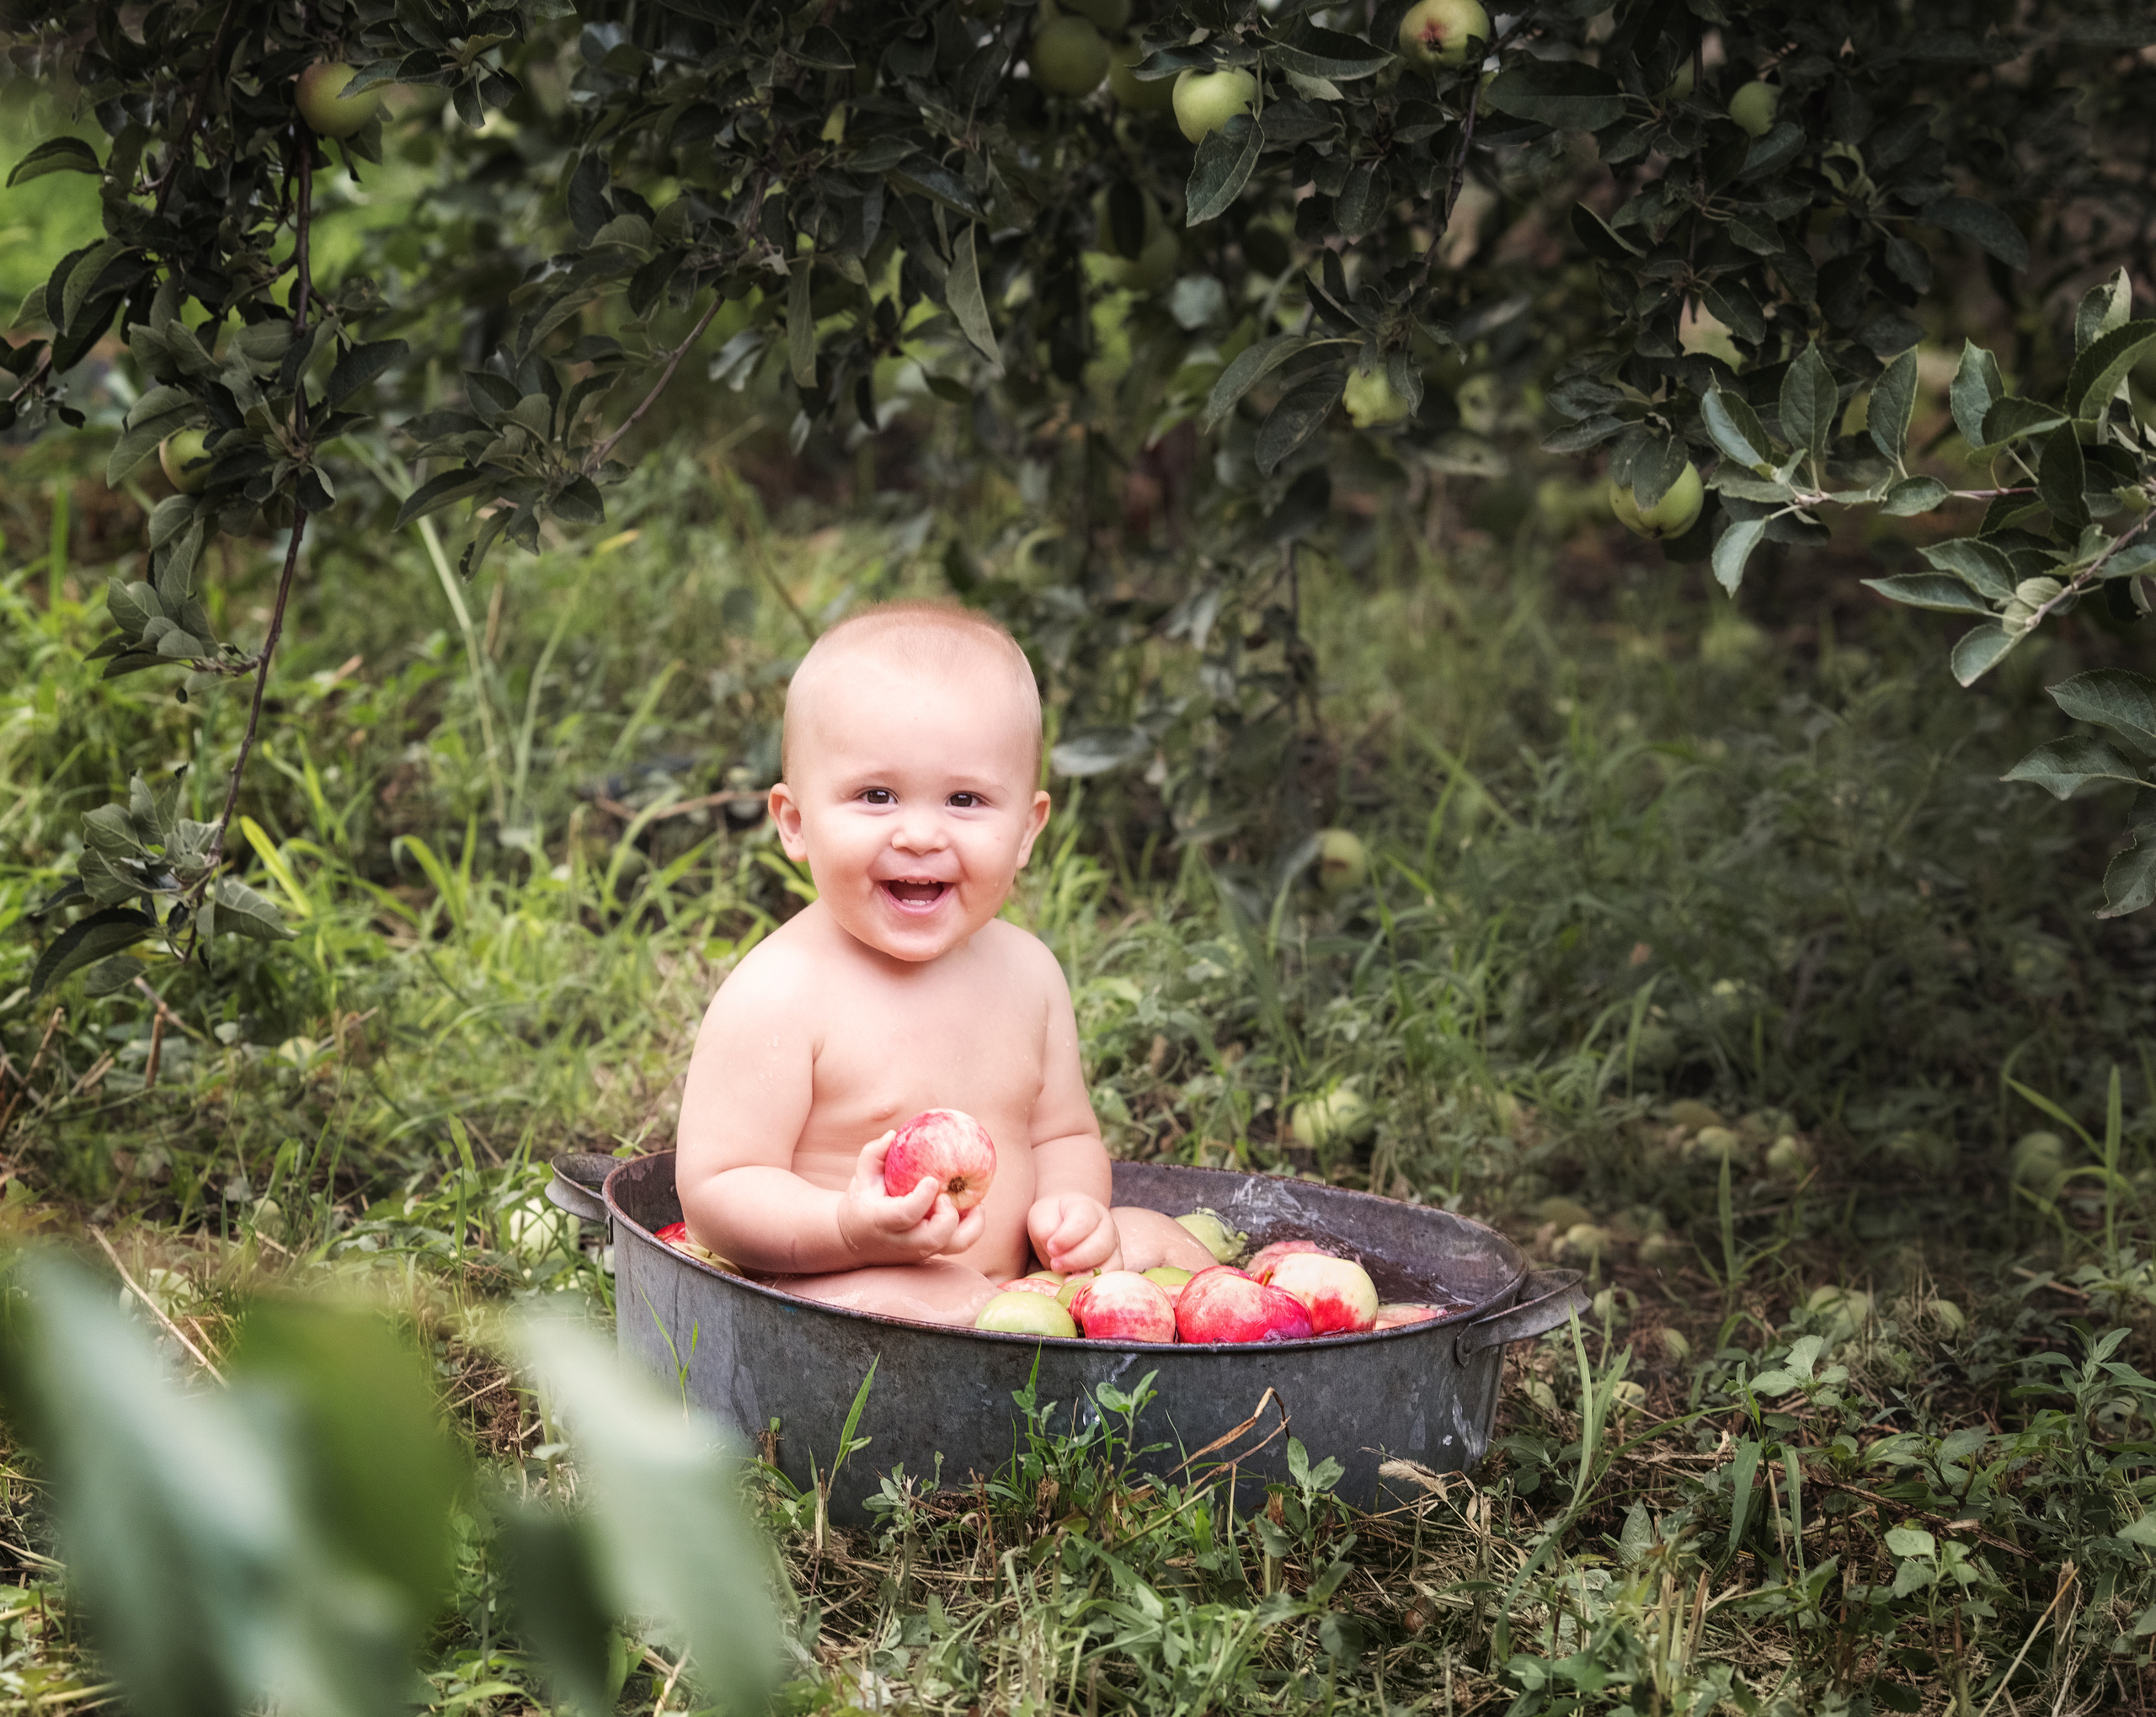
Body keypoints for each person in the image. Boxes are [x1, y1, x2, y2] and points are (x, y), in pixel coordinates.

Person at [674, 601, 1215, 1325]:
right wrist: (846, 1226)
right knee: (937, 1301)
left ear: (1026, 829)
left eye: (965, 799)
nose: (922, 833)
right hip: (837, 1284)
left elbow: (1064, 1135)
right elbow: (718, 1191)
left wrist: (1075, 1207)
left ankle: (1231, 1361)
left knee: (1164, 1242)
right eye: (877, 795)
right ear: (795, 822)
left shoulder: (1030, 975)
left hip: (1019, 1287)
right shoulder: (782, 992)